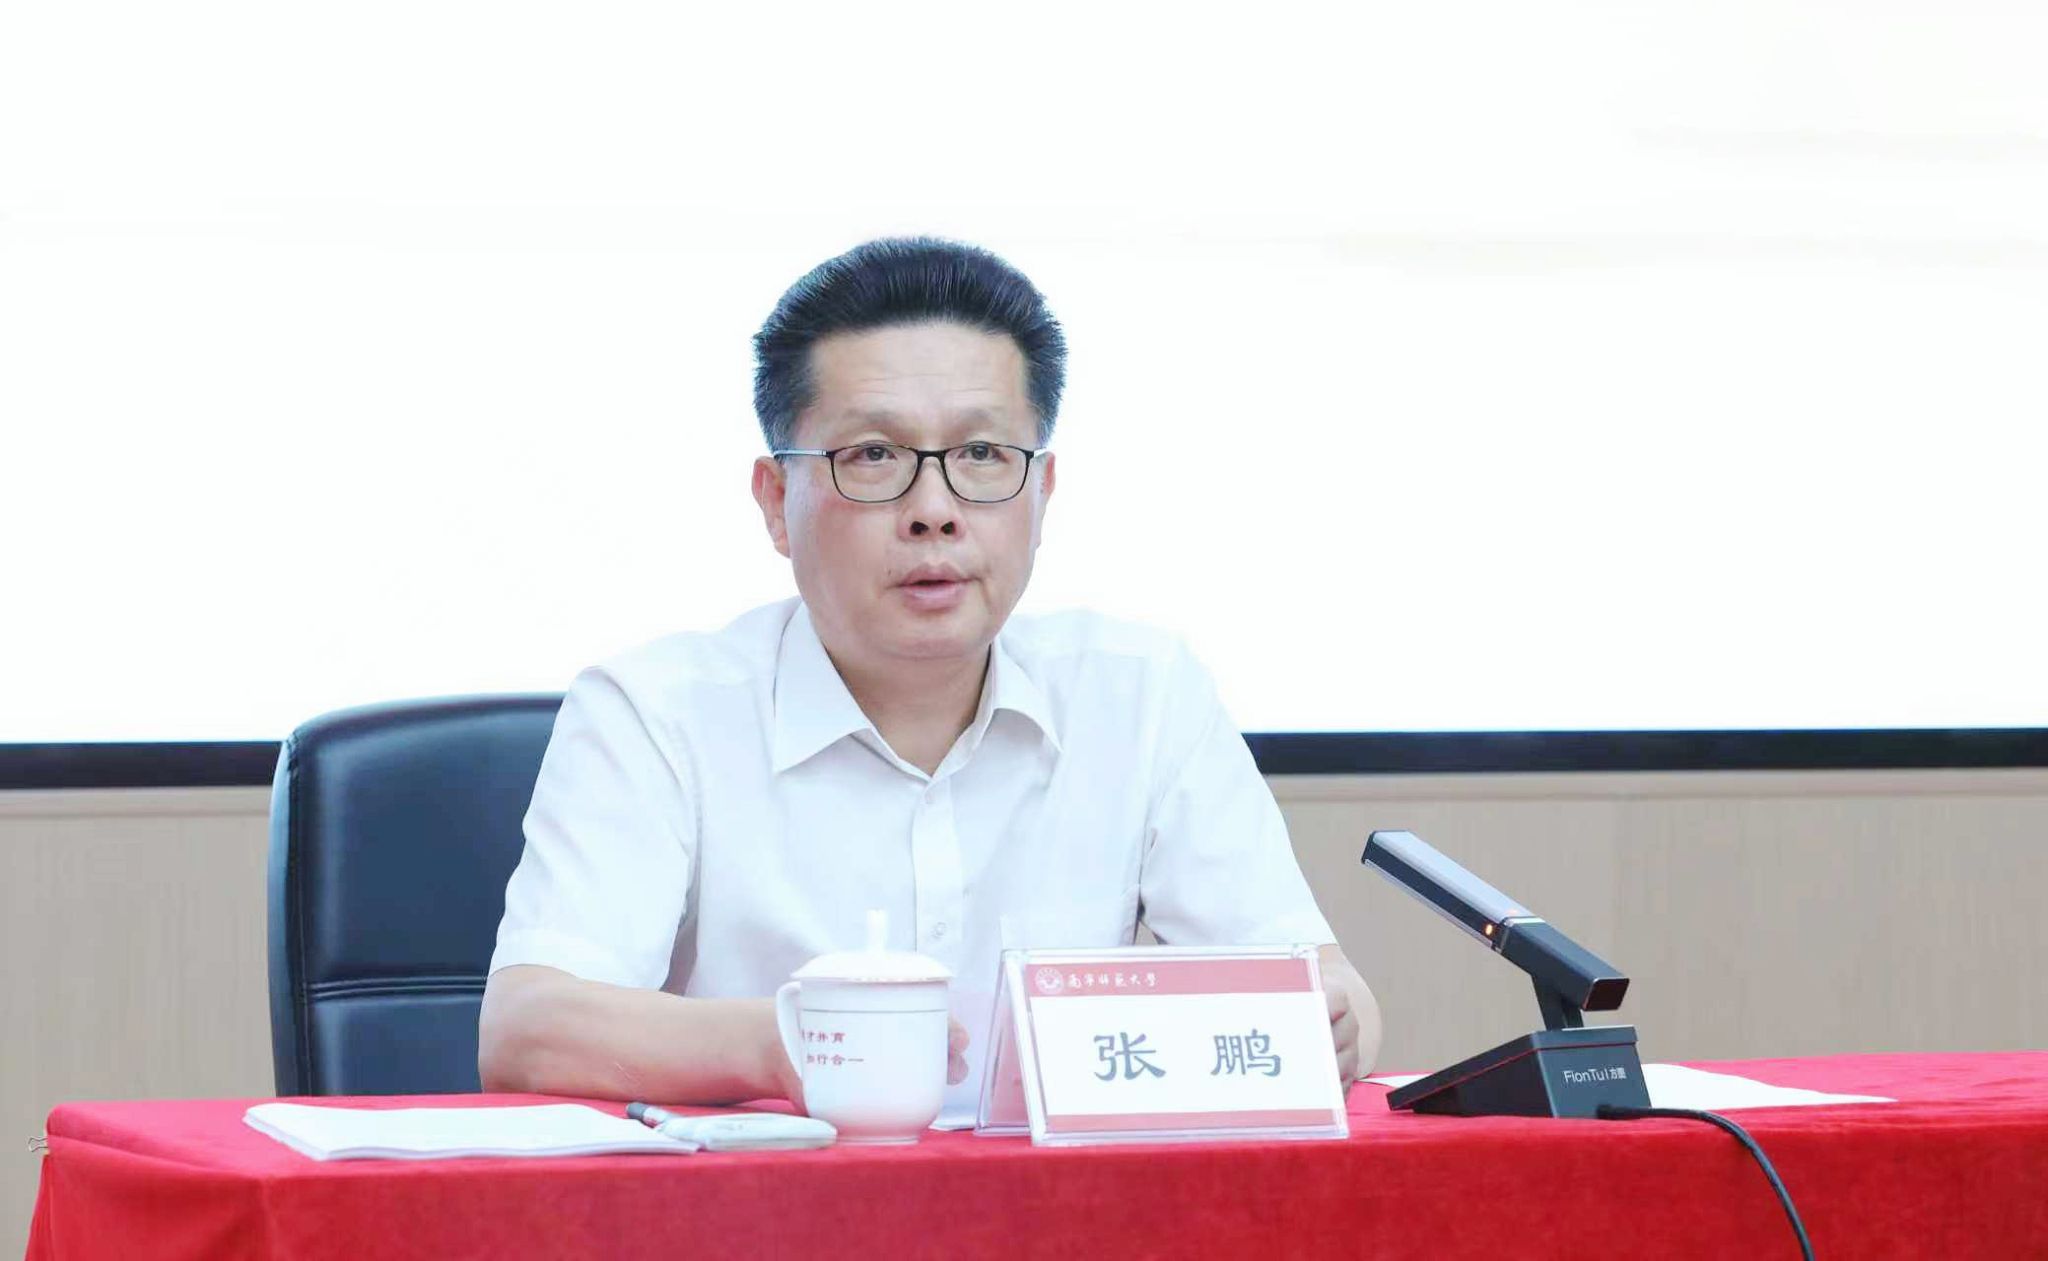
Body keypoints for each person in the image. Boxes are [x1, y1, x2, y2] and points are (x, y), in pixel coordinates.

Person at [478, 237, 1381, 1119]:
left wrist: (1334, 1020)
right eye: (874, 455)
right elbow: (529, 1030)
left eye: (983, 455)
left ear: (1043, 493)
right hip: (764, 1204)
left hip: (1062, 1207)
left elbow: (1326, 990)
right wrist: (791, 1042)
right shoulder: (656, 711)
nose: (935, 511)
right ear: (776, 502)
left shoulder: (1142, 695)